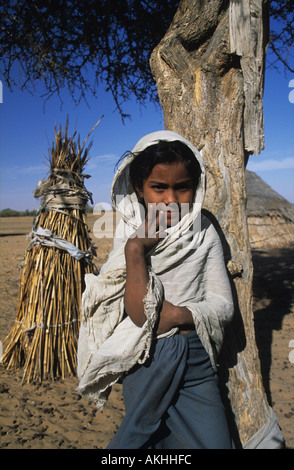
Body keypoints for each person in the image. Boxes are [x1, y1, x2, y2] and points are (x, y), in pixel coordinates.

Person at [77, 131, 234, 449]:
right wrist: (136, 250)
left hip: (196, 359)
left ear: (196, 186)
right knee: (141, 437)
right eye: (159, 187)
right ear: (139, 187)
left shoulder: (203, 232)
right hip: (146, 359)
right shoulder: (130, 232)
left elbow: (222, 304)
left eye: (182, 187)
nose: (171, 200)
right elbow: (138, 315)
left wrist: (178, 314)